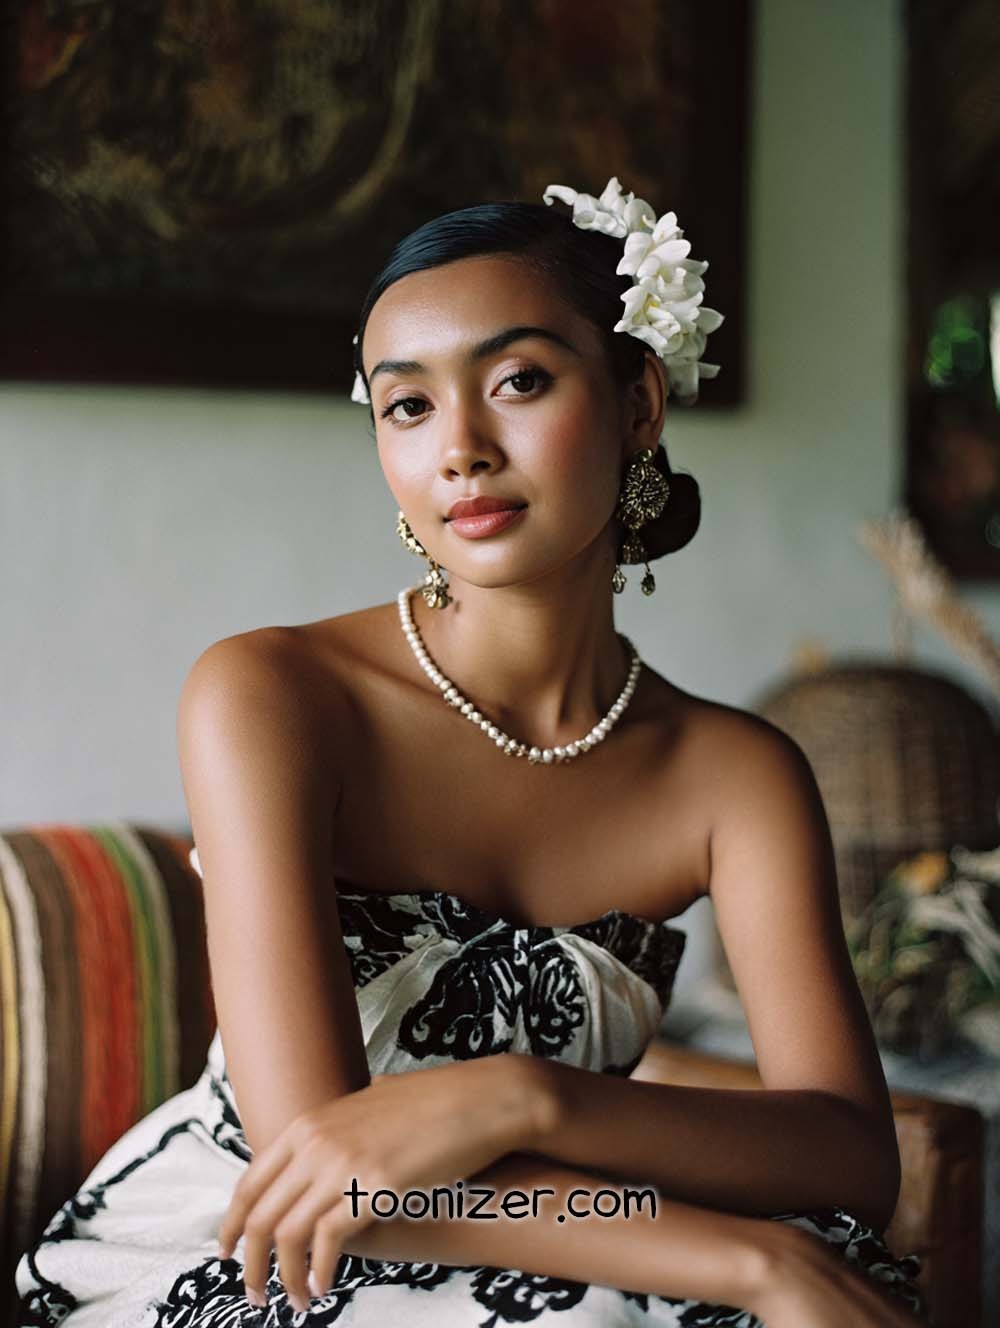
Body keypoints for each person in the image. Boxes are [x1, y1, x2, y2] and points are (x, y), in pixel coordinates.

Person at [15, 177, 929, 1327]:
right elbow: (331, 1166)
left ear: (637, 399)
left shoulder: (735, 771)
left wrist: (526, 1097)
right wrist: (749, 1262)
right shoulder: (272, 695)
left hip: (592, 1217)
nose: (461, 448)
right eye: (406, 407)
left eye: (518, 382)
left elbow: (849, 1154)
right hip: (281, 1231)